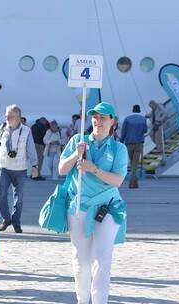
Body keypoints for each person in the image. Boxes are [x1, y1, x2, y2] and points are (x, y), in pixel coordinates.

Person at [58, 102, 128, 304]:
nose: (98, 121)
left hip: (108, 209)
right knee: (81, 261)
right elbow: (62, 170)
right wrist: (75, 154)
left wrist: (93, 169)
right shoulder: (78, 140)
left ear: (112, 121)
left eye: (103, 117)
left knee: (102, 260)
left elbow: (117, 180)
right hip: (78, 207)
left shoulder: (118, 148)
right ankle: (82, 300)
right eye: (95, 117)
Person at [0, 105, 39, 233]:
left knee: (18, 198)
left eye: (10, 116)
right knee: (1, 195)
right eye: (6, 116)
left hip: (20, 169)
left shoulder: (26, 131)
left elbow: (31, 149)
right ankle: (6, 219)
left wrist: (35, 166)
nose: (7, 118)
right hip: (4, 168)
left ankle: (16, 221)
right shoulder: (3, 128)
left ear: (18, 117)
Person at [120, 105, 148, 189]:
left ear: (132, 109)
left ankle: (132, 182)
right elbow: (145, 130)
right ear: (139, 110)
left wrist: (121, 141)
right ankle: (134, 182)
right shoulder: (143, 119)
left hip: (129, 142)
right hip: (139, 142)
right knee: (134, 162)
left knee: (132, 162)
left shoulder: (127, 119)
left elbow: (123, 131)